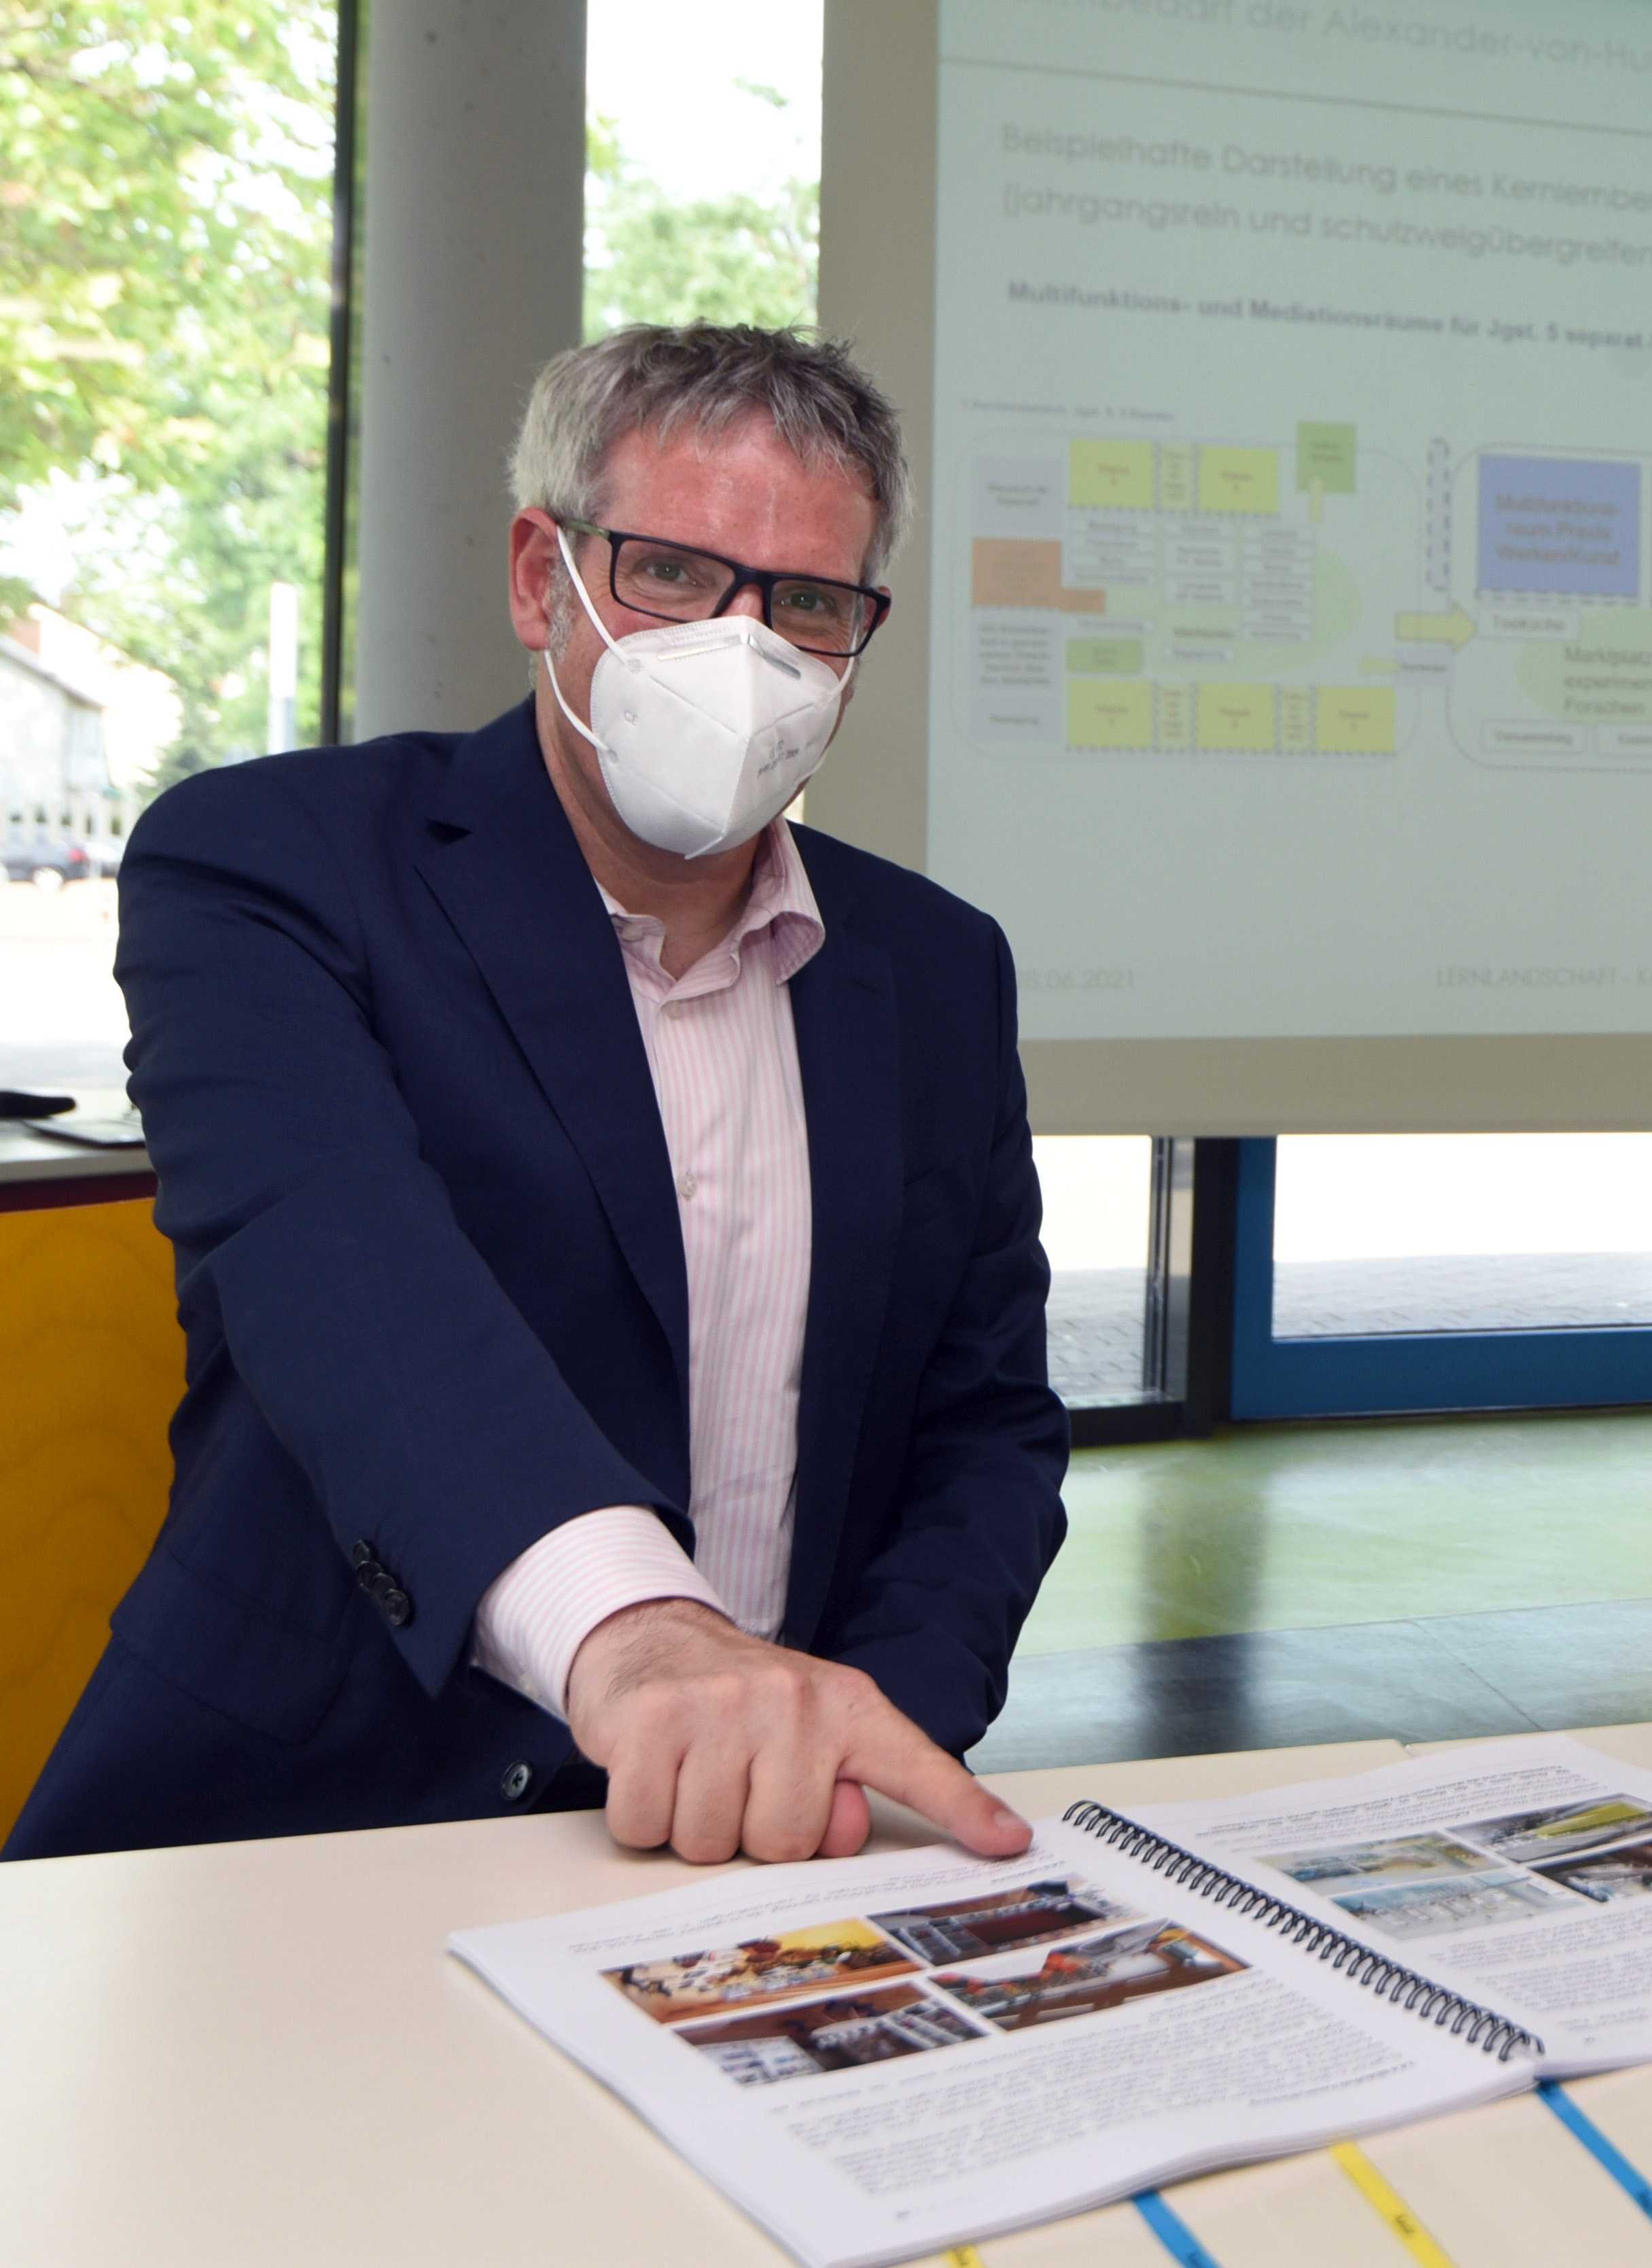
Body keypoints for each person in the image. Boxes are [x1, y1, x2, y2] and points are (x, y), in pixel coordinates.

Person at [9, 326, 1068, 1866]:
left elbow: (984, 1426)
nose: (743, 648)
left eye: (808, 603)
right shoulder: (275, 865)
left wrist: (851, 1735)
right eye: (673, 574)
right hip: (308, 1829)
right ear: (539, 578)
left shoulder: (937, 966)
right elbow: (345, 1284)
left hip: (766, 1840)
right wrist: (639, 1639)